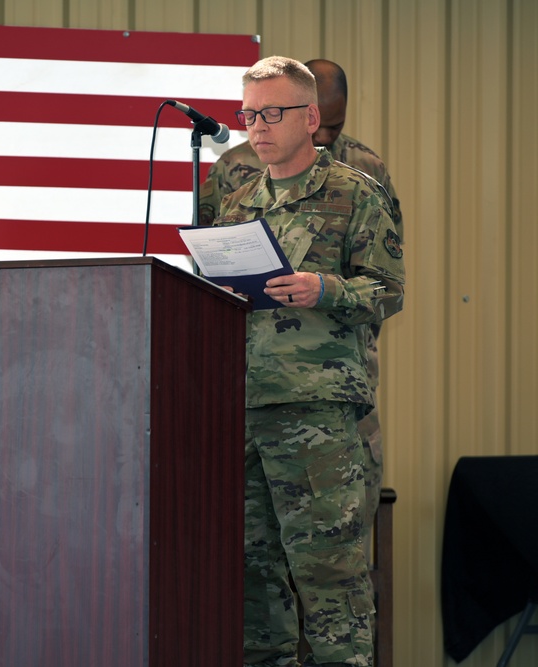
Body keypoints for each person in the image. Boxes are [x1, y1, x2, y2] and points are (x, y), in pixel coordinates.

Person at [212, 56, 404, 666]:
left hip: (316, 413)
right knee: (249, 575)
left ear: (310, 117)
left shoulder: (357, 194)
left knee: (329, 578)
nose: (257, 127)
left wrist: (327, 290)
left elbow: (389, 291)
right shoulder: (237, 203)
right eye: (248, 114)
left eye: (272, 112)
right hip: (242, 409)